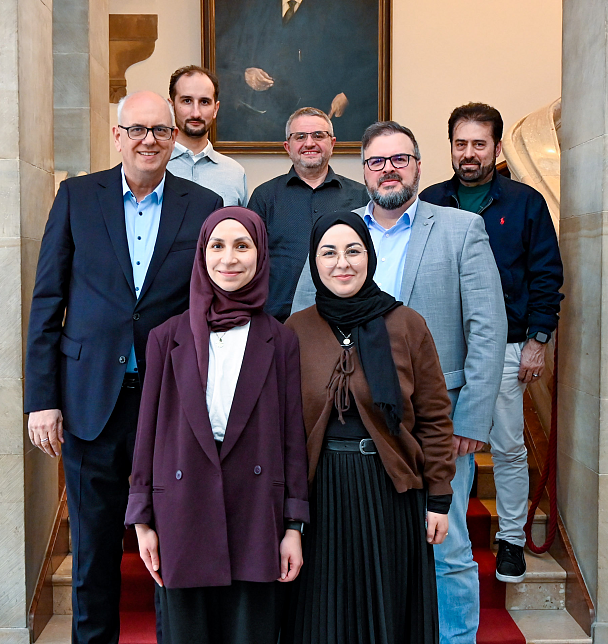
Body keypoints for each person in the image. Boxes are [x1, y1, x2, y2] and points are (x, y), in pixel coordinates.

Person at [292, 121, 506, 644]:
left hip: (433, 421)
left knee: (448, 546)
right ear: (363, 170)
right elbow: (303, 319)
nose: (388, 169)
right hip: (341, 427)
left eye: (399, 159)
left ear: (417, 164)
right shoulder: (340, 231)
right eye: (376, 161)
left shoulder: (458, 229)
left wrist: (473, 419)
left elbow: (487, 326)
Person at [24, 91, 223, 644]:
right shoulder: (76, 197)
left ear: (174, 135)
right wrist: (43, 398)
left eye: (160, 130)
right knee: (92, 558)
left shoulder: (202, 205)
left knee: (173, 551)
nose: (149, 140)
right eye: (137, 129)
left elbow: (211, 307)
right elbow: (48, 301)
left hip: (172, 404)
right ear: (117, 135)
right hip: (90, 402)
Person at [125, 207, 310, 644]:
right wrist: (142, 519)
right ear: (202, 255)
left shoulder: (280, 339)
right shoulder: (165, 337)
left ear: (260, 255)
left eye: (243, 246)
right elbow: (147, 433)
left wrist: (293, 527)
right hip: (182, 509)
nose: (230, 258)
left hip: (256, 511)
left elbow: (291, 439)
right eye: (218, 246)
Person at [282, 211, 456, 643]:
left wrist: (438, 498)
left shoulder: (406, 324)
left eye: (353, 250)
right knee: (326, 614)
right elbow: (281, 428)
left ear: (369, 255)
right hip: (321, 495)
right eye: (329, 252)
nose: (342, 263)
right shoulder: (295, 330)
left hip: (389, 491)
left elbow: (434, 418)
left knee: (388, 610)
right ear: (315, 262)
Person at [419, 102, 564, 584]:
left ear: (497, 148)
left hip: (505, 346)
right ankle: (444, 534)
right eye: (461, 144)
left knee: (506, 446)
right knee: (443, 445)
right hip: (442, 348)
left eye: (479, 144)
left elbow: (547, 275)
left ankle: (511, 542)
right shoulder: (432, 200)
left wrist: (538, 340)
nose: (469, 153)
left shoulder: (525, 203)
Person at [248, 107, 365, 322]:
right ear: (288, 146)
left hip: (348, 319)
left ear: (333, 143)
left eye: (319, 135)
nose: (309, 143)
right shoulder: (264, 197)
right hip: (278, 323)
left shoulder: (361, 197)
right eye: (300, 136)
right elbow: (250, 264)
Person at [214, 0, 379, 141]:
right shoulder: (258, 8)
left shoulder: (333, 9)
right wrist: (246, 74)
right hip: (263, 122)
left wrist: (347, 95)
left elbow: (367, 61)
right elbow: (227, 55)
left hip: (319, 117)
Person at [166, 65, 248, 206]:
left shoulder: (235, 173)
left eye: (204, 102)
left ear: (215, 109)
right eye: (187, 101)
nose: (196, 113)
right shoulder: (153, 167)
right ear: (171, 106)